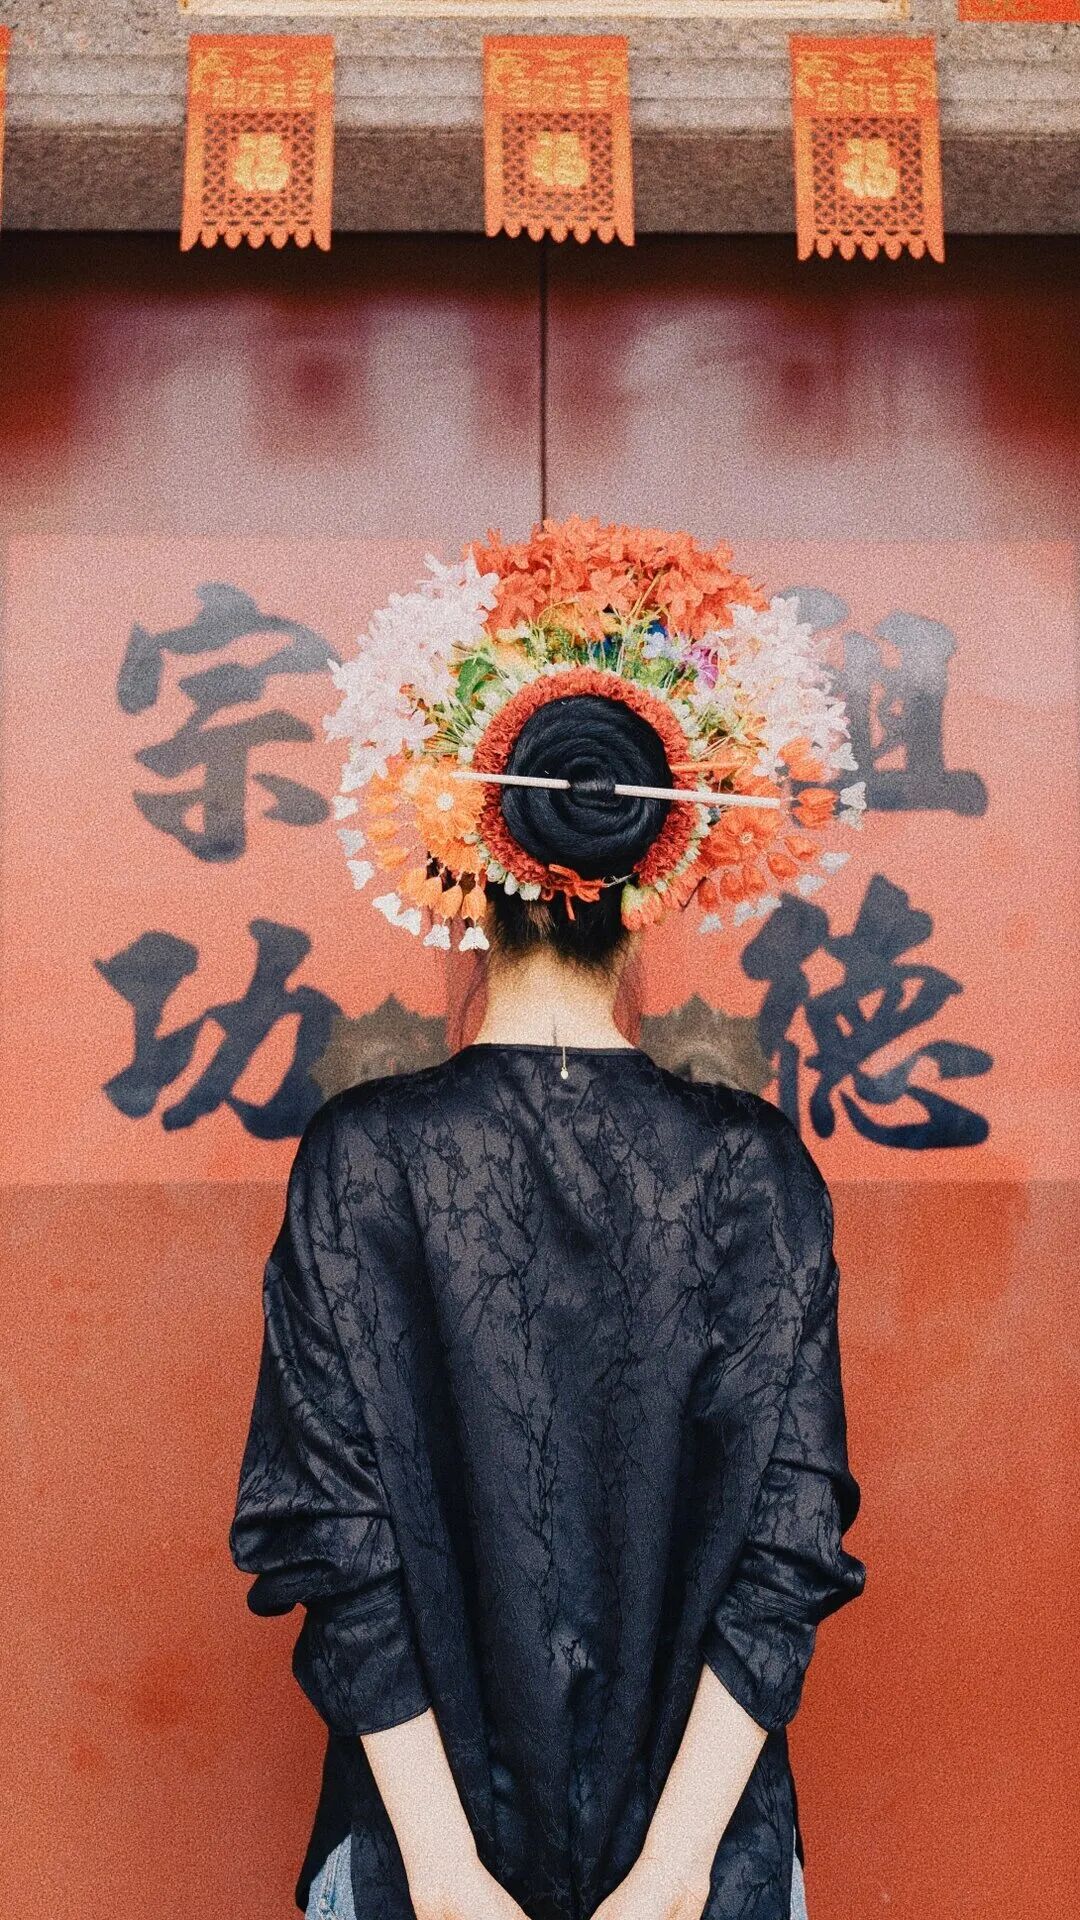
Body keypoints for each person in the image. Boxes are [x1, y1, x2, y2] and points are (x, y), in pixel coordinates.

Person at [229, 522, 867, 1920]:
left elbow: (331, 1539)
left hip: (418, 1871)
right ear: (659, 875)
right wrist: (675, 1877)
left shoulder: (363, 1161)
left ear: (474, 857)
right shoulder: (757, 1171)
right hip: (706, 1876)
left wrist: (448, 1877)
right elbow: (790, 1544)